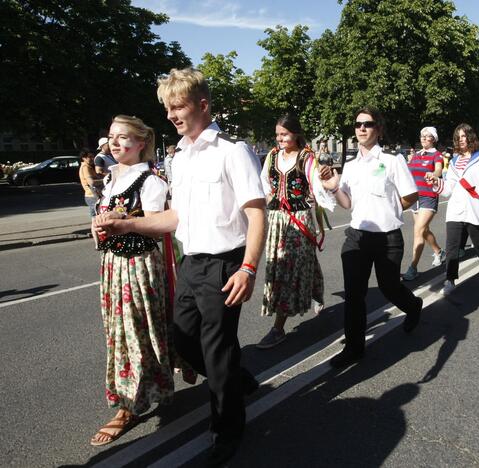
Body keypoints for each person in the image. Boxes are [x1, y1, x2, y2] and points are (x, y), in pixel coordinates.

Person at [94, 67, 266, 466]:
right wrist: (127, 223)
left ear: (202, 105)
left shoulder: (232, 151)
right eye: (167, 107)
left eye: (178, 106)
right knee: (183, 344)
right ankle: (238, 381)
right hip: (191, 264)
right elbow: (175, 219)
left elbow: (257, 214)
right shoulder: (180, 157)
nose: (171, 114)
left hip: (226, 265)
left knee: (217, 350)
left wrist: (248, 268)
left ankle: (227, 430)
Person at [89, 115, 173, 446]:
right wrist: (97, 229)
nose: (116, 142)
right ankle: (135, 397)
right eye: (112, 136)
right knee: (119, 335)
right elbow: (101, 227)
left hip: (138, 267)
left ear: (141, 143)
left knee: (140, 334)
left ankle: (129, 406)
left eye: (124, 137)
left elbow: (161, 225)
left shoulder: (150, 181)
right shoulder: (110, 180)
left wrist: (125, 221)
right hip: (112, 265)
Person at [318, 107, 423, 369]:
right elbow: (347, 202)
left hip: (387, 237)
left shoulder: (392, 160)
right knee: (355, 294)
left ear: (378, 129)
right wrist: (333, 189)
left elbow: (412, 195)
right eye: (358, 125)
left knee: (389, 287)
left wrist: (390, 209)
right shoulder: (351, 166)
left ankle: (413, 306)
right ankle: (354, 348)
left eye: (368, 124)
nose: (362, 128)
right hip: (357, 236)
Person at [256, 114, 335, 349]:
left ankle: (278, 328)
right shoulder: (271, 156)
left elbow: (319, 184)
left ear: (296, 133)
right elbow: (263, 182)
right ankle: (317, 293)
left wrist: (328, 181)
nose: (280, 138)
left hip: (298, 219)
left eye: (285, 134)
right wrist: (271, 196)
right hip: (277, 220)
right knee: (284, 265)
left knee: (289, 270)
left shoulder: (306, 158)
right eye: (278, 134)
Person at [426, 123, 479, 294]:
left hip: (475, 207)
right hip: (456, 208)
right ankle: (450, 280)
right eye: (458, 137)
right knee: (452, 246)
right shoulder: (454, 161)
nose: (461, 140)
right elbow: (449, 187)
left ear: (471, 137)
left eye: (464, 136)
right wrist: (437, 182)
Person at [403, 126, 445, 281]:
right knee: (424, 230)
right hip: (415, 198)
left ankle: (413, 267)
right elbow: (408, 173)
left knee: (418, 230)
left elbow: (439, 170)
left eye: (427, 136)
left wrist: (433, 174)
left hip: (429, 196)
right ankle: (439, 252)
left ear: (433, 139)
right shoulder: (416, 156)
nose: (424, 138)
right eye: (422, 136)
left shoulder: (437, 155)